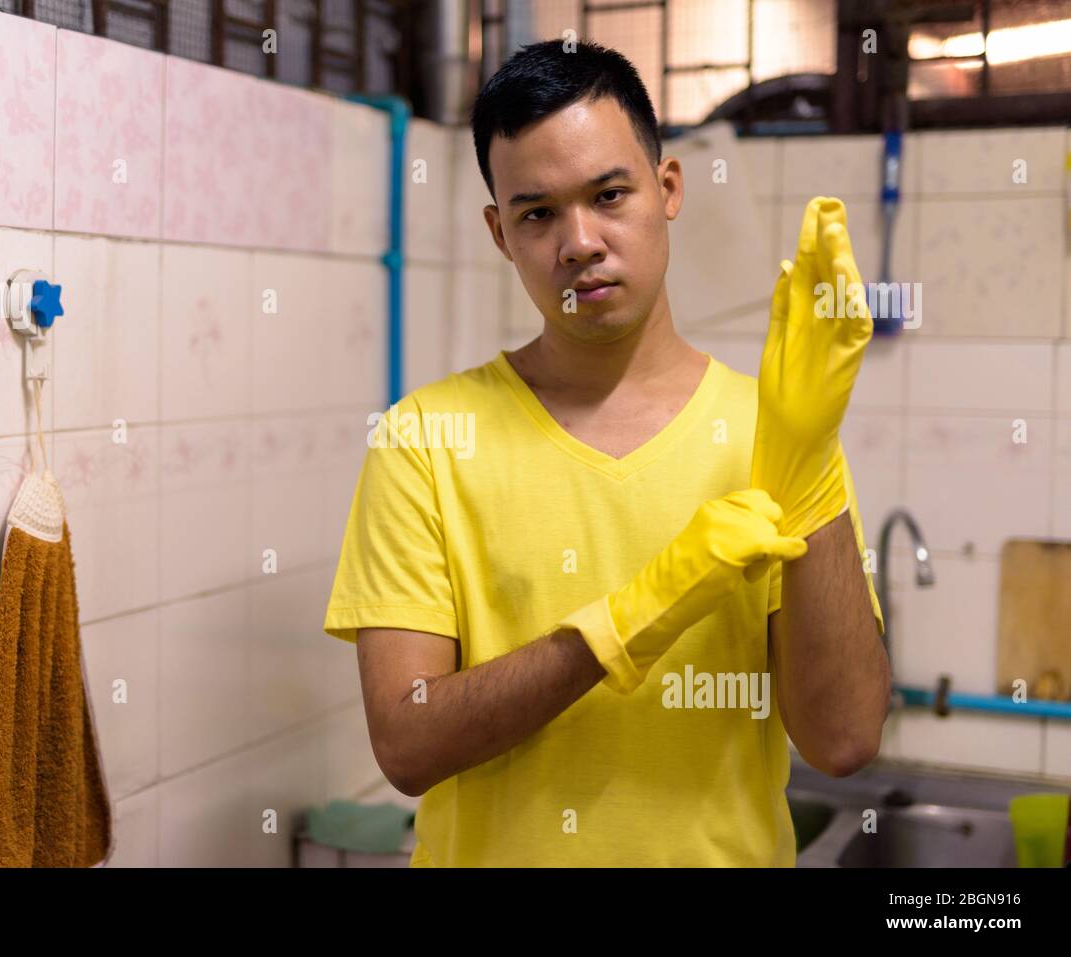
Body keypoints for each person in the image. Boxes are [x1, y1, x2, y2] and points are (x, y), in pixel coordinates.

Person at [322, 39, 889, 867]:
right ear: (499, 232)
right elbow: (407, 745)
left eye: (609, 194)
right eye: (537, 212)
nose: (579, 243)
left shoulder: (773, 432)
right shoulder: (425, 440)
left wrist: (808, 457)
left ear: (667, 191)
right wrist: (622, 625)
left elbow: (843, 737)